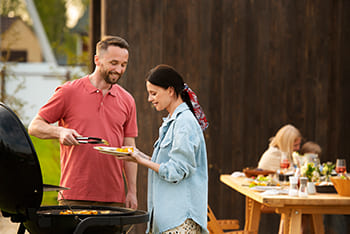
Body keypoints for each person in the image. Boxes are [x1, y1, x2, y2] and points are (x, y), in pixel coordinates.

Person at [28, 36, 138, 209]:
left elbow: (129, 149)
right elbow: (35, 126)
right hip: (75, 194)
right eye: (114, 63)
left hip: (114, 198)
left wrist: (132, 191)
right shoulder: (69, 91)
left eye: (123, 65)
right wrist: (60, 132)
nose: (119, 69)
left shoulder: (127, 100)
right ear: (97, 60)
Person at [119, 64, 209, 234]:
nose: (149, 99)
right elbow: (168, 164)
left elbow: (176, 171)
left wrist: (142, 161)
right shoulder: (172, 121)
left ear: (170, 90)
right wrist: (138, 155)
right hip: (168, 219)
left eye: (154, 93)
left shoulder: (184, 123)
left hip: (179, 221)